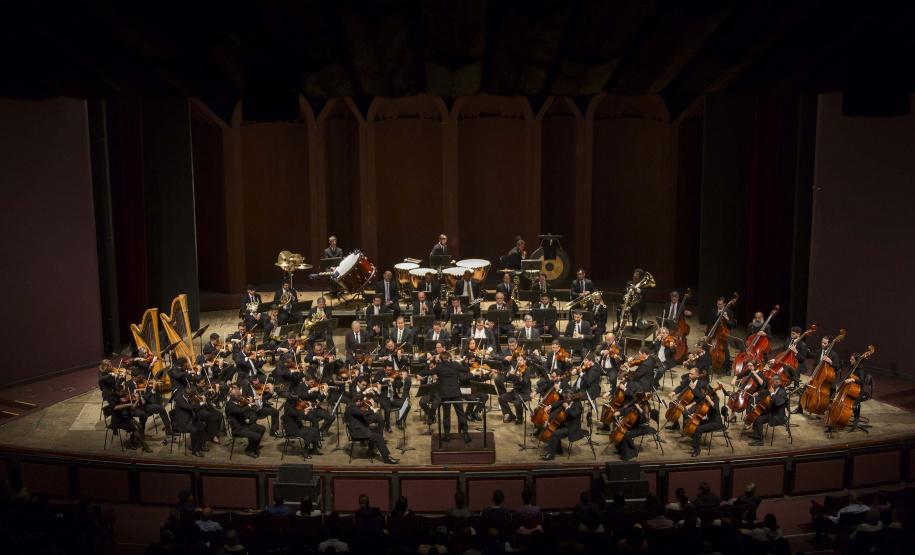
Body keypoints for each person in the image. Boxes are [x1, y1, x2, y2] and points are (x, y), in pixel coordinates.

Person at [420, 351, 472, 442]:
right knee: (461, 413)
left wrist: (428, 362)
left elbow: (426, 372)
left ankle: (447, 435)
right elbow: (467, 368)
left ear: (440, 359)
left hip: (445, 394)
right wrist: (462, 360)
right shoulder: (455, 365)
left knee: (446, 415)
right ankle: (466, 434)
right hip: (456, 393)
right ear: (448, 358)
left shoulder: (439, 367)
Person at [345, 393, 399, 463]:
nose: (362, 404)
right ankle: (386, 458)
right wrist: (373, 409)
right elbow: (363, 413)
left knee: (376, 430)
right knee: (378, 437)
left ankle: (370, 451)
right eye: (361, 402)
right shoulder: (352, 408)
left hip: (358, 428)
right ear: (358, 401)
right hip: (357, 432)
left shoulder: (351, 405)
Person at [541, 387, 584, 461]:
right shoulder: (568, 400)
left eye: (565, 398)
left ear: (568, 398)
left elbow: (574, 414)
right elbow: (558, 403)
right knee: (553, 428)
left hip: (572, 427)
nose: (564, 400)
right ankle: (558, 449)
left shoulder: (578, 405)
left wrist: (567, 408)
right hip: (567, 423)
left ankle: (551, 455)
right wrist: (549, 406)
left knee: (555, 433)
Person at [107, 384, 153, 453]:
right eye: (122, 391)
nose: (124, 392)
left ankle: (130, 442)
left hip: (127, 418)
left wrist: (137, 401)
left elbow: (132, 408)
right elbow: (115, 407)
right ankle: (144, 446)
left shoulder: (125, 397)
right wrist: (126, 405)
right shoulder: (111, 398)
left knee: (139, 427)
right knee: (135, 429)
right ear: (117, 392)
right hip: (119, 420)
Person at [611, 389, 652, 461]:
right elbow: (626, 406)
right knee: (622, 430)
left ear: (639, 397)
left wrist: (639, 409)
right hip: (636, 424)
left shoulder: (646, 405)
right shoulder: (637, 401)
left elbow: (646, 417)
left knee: (626, 435)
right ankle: (621, 449)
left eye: (635, 396)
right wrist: (619, 412)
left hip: (643, 427)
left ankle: (632, 452)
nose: (634, 397)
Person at [224, 389, 266, 459]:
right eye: (240, 396)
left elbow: (242, 412)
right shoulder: (229, 405)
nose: (242, 397)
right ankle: (249, 450)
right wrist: (249, 405)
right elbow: (240, 411)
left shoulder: (236, 403)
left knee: (262, 428)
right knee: (257, 436)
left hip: (243, 425)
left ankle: (252, 446)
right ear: (236, 397)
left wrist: (251, 410)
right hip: (238, 429)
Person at [748, 374, 787, 446]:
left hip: (776, 415)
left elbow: (778, 402)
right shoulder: (775, 388)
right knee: (757, 413)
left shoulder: (782, 392)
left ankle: (759, 440)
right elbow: (766, 391)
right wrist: (758, 393)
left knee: (759, 419)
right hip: (771, 411)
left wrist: (772, 394)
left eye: (772, 382)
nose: (771, 383)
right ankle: (756, 434)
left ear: (777, 382)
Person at [667, 366, 708, 431]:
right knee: (672, 404)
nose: (689, 375)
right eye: (689, 373)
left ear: (697, 375)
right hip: (685, 400)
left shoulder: (702, 384)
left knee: (685, 412)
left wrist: (694, 388)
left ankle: (685, 429)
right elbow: (681, 387)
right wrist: (673, 392)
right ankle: (676, 424)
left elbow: (701, 397)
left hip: (695, 402)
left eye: (692, 374)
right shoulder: (688, 380)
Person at [688, 384, 723, 457]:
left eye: (702, 391)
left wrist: (709, 400)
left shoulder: (714, 398)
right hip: (710, 420)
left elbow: (715, 408)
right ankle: (695, 440)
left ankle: (697, 449)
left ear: (706, 391)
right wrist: (693, 412)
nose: (701, 393)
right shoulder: (706, 396)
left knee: (698, 429)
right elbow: (699, 402)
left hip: (716, 423)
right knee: (695, 422)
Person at [703, 297, 736, 373]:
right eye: (717, 304)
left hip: (723, 335)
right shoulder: (713, 311)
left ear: (724, 304)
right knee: (708, 348)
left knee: (725, 351)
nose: (718, 306)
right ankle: (709, 365)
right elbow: (709, 324)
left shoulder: (729, 312)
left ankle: (727, 369)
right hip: (714, 334)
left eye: (720, 304)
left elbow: (732, 325)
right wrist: (707, 335)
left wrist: (727, 318)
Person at [174, 387, 209, 457]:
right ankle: (195, 450)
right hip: (181, 422)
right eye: (193, 397)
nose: (195, 398)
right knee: (194, 430)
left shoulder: (188, 399)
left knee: (202, 426)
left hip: (189, 419)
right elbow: (190, 407)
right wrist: (201, 403)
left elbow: (194, 410)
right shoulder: (180, 401)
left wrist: (203, 404)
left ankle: (201, 445)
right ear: (188, 397)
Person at [499, 354, 532, 425]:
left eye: (520, 360)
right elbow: (507, 378)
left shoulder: (527, 371)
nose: (519, 362)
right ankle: (511, 415)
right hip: (516, 392)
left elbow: (525, 382)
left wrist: (520, 377)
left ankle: (520, 418)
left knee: (517, 403)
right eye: (518, 360)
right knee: (501, 398)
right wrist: (509, 374)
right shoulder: (516, 369)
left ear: (524, 361)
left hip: (524, 393)